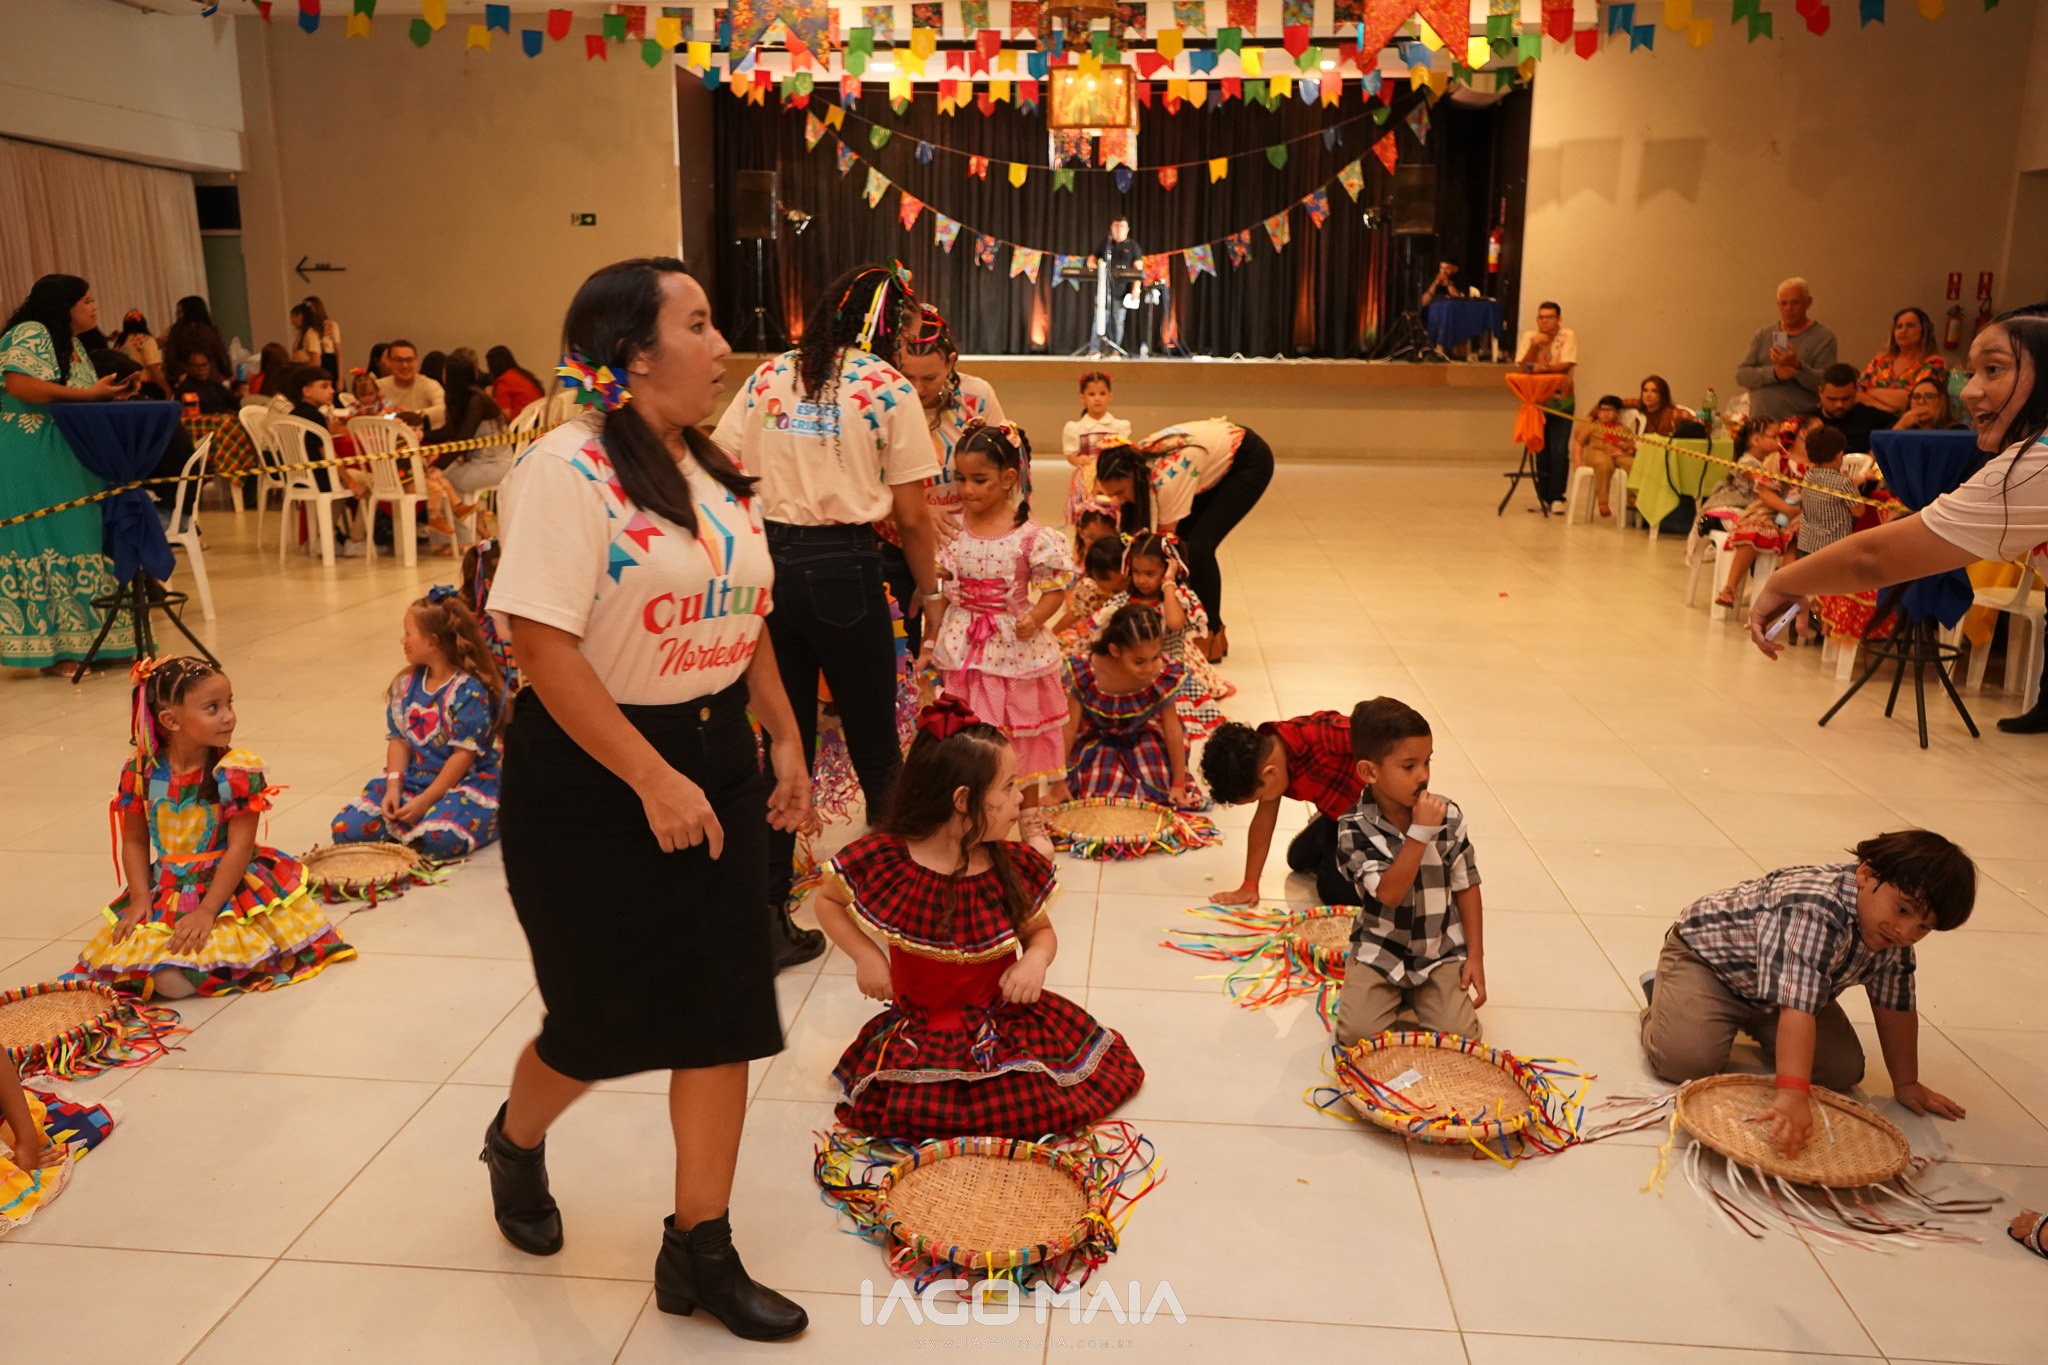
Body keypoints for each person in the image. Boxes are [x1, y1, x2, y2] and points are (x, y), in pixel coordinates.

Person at [483, 257, 812, 1339]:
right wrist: (651, 775)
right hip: (592, 774)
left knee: (724, 1014)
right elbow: (542, 647)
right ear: (631, 353)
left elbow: (746, 613)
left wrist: (783, 736)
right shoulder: (565, 470)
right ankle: (514, 1142)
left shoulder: (716, 467)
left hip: (712, 755)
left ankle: (699, 1252)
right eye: (699, 325)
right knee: (598, 1022)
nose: (723, 347)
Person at [710, 263, 939, 959]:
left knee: (784, 745)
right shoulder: (888, 386)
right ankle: (905, 913)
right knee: (877, 748)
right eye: (905, 329)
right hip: (845, 568)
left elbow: (720, 465)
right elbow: (913, 516)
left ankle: (766, 916)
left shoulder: (770, 374)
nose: (908, 342)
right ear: (884, 324)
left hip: (768, 568)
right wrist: (930, 592)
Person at [811, 701, 1144, 1140]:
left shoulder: (1007, 865)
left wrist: (1035, 961)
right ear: (963, 800)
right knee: (921, 1111)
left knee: (1035, 1103)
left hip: (1003, 1027)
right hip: (923, 1033)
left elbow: (1040, 933)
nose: (1020, 798)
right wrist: (865, 956)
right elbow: (826, 901)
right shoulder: (889, 859)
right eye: (1008, 787)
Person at [1747, 312, 2048, 734]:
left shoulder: (2035, 465)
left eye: (1994, 369)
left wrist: (1784, 580)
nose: (1970, 391)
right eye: (1971, 373)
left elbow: (1875, 557)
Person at [1639, 831, 1972, 1155]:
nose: (1905, 932)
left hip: (1781, 992)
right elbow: (1797, 1008)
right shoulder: (1814, 908)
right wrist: (1792, 1095)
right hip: (1710, 967)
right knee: (1684, 1062)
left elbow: (1895, 1006)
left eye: (1924, 927)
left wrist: (1907, 1083)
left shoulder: (1891, 935)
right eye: (1902, 910)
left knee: (1841, 1070)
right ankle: (1664, 994)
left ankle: (1747, 1021)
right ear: (1866, 875)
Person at [75, 656, 355, 998]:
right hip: (167, 890)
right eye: (213, 708)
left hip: (226, 889)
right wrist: (139, 898)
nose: (229, 716)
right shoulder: (139, 772)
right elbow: (134, 841)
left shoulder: (235, 771)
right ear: (170, 720)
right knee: (129, 969)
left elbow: (240, 847)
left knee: (172, 981)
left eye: (229, 703)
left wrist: (207, 912)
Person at [917, 422, 1072, 856]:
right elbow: (938, 589)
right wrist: (930, 638)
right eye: (961, 479)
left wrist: (1035, 617)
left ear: (1008, 479)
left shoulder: (1031, 537)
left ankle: (1029, 815)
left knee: (1022, 736)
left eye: (979, 479)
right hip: (964, 648)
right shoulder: (951, 528)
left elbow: (1055, 589)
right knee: (970, 735)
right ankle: (971, 815)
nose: (966, 490)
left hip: (1015, 652)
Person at [0, 273, 141, 677]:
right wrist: (88, 395)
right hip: (30, 452)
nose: (94, 307)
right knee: (44, 540)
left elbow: (77, 396)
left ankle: (97, 640)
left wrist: (108, 395)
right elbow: (19, 386)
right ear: (65, 306)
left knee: (80, 538)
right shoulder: (32, 332)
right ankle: (54, 651)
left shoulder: (73, 344)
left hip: (68, 453)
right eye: (87, 300)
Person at [1332, 696, 1485, 1048]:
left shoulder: (1448, 815)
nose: (1424, 776)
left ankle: (1418, 996)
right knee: (1355, 1037)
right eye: (1409, 766)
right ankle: (1383, 992)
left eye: (1427, 761)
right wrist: (1420, 833)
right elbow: (1389, 894)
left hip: (1438, 953)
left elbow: (1467, 884)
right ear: (1370, 772)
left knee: (1463, 1039)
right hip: (1380, 952)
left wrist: (1475, 956)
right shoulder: (1353, 828)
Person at [331, 587, 506, 859]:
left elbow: (462, 757)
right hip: (415, 780)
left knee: (438, 839)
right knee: (347, 828)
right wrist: (393, 787)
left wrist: (426, 801)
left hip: (461, 783)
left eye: (408, 633)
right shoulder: (406, 685)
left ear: (433, 641)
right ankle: (412, 823)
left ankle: (458, 820)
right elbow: (399, 740)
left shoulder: (468, 691)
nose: (402, 640)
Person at [1093, 418, 1274, 663]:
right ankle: (1214, 631)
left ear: (1133, 476)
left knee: (1198, 548)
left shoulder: (1167, 480)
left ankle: (1210, 633)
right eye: (1110, 494)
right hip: (1203, 459)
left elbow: (1164, 546)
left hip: (1247, 460)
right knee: (1186, 544)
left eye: (1120, 493)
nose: (1118, 500)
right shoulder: (1132, 462)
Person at [890, 304, 1007, 652]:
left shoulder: (976, 397)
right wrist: (917, 510)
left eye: (929, 378)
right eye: (906, 377)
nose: (916, 389)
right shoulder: (883, 398)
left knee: (964, 647)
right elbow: (861, 481)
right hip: (894, 544)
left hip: (965, 548)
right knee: (902, 648)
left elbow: (1003, 465)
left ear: (951, 362)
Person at [1201, 712, 1366, 909]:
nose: (1263, 803)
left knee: (1334, 892)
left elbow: (1386, 739)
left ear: (1270, 772)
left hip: (1385, 817)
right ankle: (1329, 831)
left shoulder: (1324, 738)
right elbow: (1263, 823)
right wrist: (1250, 885)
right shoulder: (1266, 758)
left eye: (1260, 798)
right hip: (1342, 813)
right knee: (1298, 858)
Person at [1088, 531, 1229, 741]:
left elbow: (1174, 623)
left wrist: (1169, 582)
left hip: (1167, 677)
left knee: (1173, 729)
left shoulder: (1176, 599)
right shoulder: (1124, 600)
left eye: (1150, 573)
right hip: (1133, 675)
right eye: (1136, 572)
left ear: (1167, 569)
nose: (1141, 580)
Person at [1063, 603, 1201, 808]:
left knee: (1157, 780)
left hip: (1146, 735)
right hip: (1098, 738)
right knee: (1100, 787)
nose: (1149, 668)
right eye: (1139, 661)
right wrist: (1058, 782)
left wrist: (1178, 784)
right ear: (1114, 650)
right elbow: (1069, 727)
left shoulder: (1162, 672)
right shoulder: (1086, 670)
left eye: (1155, 657)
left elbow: (1173, 729)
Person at [1714, 417, 1812, 609]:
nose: (1778, 441)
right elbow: (1763, 488)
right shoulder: (1771, 459)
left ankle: (1782, 595)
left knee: (1794, 538)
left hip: (1798, 512)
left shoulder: (1816, 464)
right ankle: (1730, 587)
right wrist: (1786, 506)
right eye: (1774, 437)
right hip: (1762, 507)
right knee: (1752, 531)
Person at [1735, 277, 1838, 420]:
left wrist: (1797, 367)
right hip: (1761, 423)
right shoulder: (1763, 335)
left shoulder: (1824, 338)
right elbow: (1742, 376)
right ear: (1778, 305)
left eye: (1795, 302)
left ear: (1808, 302)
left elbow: (1827, 385)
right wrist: (1775, 373)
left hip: (1800, 424)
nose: (1789, 308)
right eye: (1784, 303)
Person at [1517, 301, 1578, 512]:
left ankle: (1557, 496)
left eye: (1550, 317)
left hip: (1562, 401)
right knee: (1540, 449)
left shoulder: (1568, 335)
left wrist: (1541, 369)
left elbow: (1565, 365)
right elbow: (1524, 366)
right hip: (1537, 402)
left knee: (1559, 451)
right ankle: (1542, 496)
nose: (1545, 321)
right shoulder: (1530, 337)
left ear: (1559, 319)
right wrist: (1535, 346)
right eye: (1541, 317)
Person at [1063, 370, 1131, 524]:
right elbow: (1071, 455)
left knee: (1113, 515)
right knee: (1087, 515)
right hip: (1087, 482)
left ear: (1110, 396)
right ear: (1082, 398)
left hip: (1111, 478)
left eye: (1102, 393)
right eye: (1092, 394)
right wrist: (1079, 460)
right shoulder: (1076, 428)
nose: (1097, 399)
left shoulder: (1119, 426)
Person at [1856, 307, 1946, 415]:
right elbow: (1856, 395)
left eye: (1910, 325)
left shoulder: (1933, 363)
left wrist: (1872, 392)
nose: (1903, 331)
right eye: (1899, 326)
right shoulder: (1879, 362)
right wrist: (1889, 410)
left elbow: (1911, 401)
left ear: (1923, 331)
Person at [1054, 531, 1125, 657]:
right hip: (1093, 641)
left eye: (1103, 578)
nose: (1098, 583)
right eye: (1094, 577)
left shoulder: (1134, 594)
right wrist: (1050, 634)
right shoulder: (1090, 588)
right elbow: (1075, 613)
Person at [1569, 394, 1636, 518]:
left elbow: (1632, 447)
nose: (1606, 414)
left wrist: (1626, 448)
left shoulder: (1623, 429)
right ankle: (1603, 502)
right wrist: (1578, 461)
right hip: (1596, 453)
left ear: (1617, 413)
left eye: (1610, 410)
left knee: (1633, 464)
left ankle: (1632, 496)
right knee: (1604, 464)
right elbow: (1579, 443)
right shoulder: (1593, 426)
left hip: (1617, 454)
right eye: (1602, 410)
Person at [1086, 215, 1143, 355]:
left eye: (1122, 226)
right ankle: (1094, 350)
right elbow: (1091, 259)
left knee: (1118, 321)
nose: (1118, 229)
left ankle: (1115, 351)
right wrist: (1096, 267)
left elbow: (1138, 270)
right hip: (1103, 290)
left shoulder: (1133, 246)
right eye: (1116, 226)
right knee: (1098, 320)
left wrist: (1136, 288)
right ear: (1111, 227)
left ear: (1127, 229)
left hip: (1122, 291)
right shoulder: (1105, 244)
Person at [1816, 363, 1891, 454]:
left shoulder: (1869, 416)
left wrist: (1879, 448)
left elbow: (1898, 428)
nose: (1839, 405)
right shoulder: (1809, 422)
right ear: (1820, 392)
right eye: (1832, 399)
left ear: (1856, 391)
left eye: (1846, 398)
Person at [378, 340, 448, 430]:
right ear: (389, 362)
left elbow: (444, 408)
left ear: (416, 360)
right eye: (399, 360)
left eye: (409, 360)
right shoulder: (378, 386)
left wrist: (413, 415)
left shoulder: (430, 385)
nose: (405, 365)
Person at [164, 296, 231, 389]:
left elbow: (170, 357)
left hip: (186, 378)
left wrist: (177, 373)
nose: (179, 316)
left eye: (181, 312)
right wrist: (228, 372)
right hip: (211, 378)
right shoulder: (210, 331)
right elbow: (220, 355)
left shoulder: (176, 331)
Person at [486, 345, 546, 423]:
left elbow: (504, 416)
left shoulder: (503, 381)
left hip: (522, 425)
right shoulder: (526, 375)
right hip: (541, 420)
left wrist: (490, 400)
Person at [1624, 375, 1694, 439]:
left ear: (1662, 395)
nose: (1648, 395)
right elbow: (1622, 402)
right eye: (1645, 390)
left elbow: (1696, 424)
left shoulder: (1674, 414)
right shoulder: (1640, 408)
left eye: (1654, 391)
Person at [114, 310, 166, 395]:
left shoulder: (120, 342)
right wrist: (167, 389)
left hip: (123, 387)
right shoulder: (147, 340)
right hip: (144, 386)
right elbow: (153, 368)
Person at [1892, 376, 1963, 430]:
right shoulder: (1902, 426)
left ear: (1942, 401)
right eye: (1916, 397)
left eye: (1929, 396)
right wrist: (1901, 426)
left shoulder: (1957, 430)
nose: (1921, 402)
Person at [301, 295, 341, 381]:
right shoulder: (309, 329)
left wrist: (340, 378)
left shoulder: (331, 324)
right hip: (316, 359)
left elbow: (338, 352)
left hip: (329, 359)